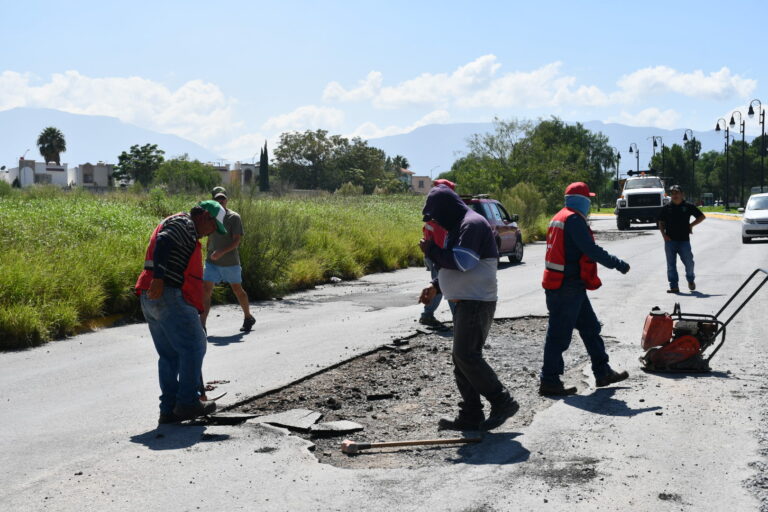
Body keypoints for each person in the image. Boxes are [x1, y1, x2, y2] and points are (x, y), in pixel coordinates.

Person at [419, 184, 519, 431]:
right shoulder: (459, 225)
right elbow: (455, 263)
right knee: (462, 359)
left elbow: (463, 262)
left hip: (476, 301)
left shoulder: (471, 224)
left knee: (467, 356)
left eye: (436, 216)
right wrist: (436, 285)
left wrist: (431, 250)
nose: (436, 222)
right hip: (466, 300)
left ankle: (502, 401)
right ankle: (471, 414)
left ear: (446, 209)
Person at [135, 200, 227, 423]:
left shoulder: (184, 226)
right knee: (195, 346)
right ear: (204, 216)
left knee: (170, 355)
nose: (211, 233)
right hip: (167, 293)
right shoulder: (184, 224)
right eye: (213, 226)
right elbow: (164, 241)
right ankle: (186, 402)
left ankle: (168, 410)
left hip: (151, 296)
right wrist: (159, 278)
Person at [540, 182, 631, 396]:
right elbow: (589, 249)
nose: (589, 203)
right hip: (566, 287)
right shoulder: (572, 219)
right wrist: (617, 263)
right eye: (588, 199)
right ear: (581, 200)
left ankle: (602, 372)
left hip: (568, 286)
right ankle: (549, 381)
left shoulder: (560, 216)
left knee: (590, 328)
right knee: (558, 336)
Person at [201, 188, 256, 333]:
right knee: (205, 291)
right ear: (213, 200)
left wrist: (221, 252)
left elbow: (236, 241)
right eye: (217, 199)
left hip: (230, 262)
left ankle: (248, 317)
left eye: (223, 198)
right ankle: (202, 326)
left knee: (238, 290)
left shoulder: (234, 217)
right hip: (212, 262)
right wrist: (209, 251)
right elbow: (208, 236)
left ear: (227, 199)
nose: (221, 201)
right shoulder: (208, 216)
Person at [420, 178, 456, 327]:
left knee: (442, 287)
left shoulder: (432, 212)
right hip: (439, 257)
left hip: (432, 255)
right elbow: (443, 243)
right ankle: (458, 318)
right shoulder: (441, 218)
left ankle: (428, 315)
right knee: (448, 287)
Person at [657, 185, 705, 293]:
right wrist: (664, 236)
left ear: (682, 194)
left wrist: (691, 225)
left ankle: (690, 279)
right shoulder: (666, 208)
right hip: (670, 241)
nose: (674, 195)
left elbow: (701, 217)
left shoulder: (688, 206)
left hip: (684, 241)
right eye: (672, 193)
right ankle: (674, 286)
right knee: (671, 265)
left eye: (677, 193)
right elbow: (660, 222)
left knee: (689, 263)